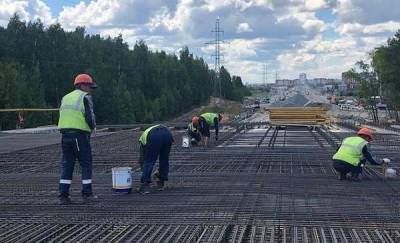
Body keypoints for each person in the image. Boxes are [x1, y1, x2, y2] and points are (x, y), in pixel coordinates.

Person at [57, 73, 97, 204]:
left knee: (67, 164)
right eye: (90, 86)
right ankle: (87, 193)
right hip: (79, 135)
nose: (91, 90)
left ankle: (63, 195)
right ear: (82, 86)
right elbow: (89, 117)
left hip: (65, 136)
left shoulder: (65, 97)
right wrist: (92, 129)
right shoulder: (84, 97)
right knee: (86, 163)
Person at [138, 124, 174, 194]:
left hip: (154, 136)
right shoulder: (146, 133)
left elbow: (142, 159)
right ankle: (161, 183)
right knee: (164, 160)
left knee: (149, 161)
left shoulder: (142, 141)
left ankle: (145, 186)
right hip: (167, 134)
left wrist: (144, 170)